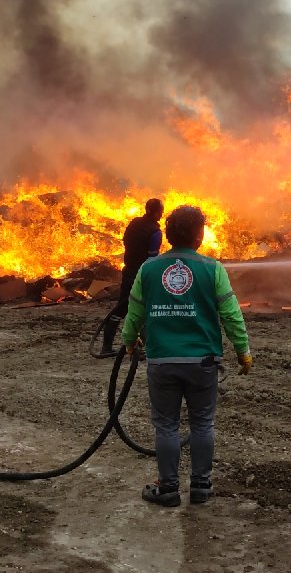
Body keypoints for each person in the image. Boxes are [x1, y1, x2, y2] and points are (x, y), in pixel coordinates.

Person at [120, 204, 251, 507]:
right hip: (203, 362)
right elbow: (231, 315)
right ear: (198, 236)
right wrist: (243, 350)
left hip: (162, 361)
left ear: (167, 235)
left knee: (166, 425)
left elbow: (134, 311)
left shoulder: (148, 269)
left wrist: (129, 341)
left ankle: (167, 489)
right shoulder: (212, 269)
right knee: (203, 423)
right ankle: (201, 487)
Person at [100, 198, 164, 357]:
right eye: (161, 211)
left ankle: (106, 347)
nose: (162, 214)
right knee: (146, 310)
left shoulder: (134, 224)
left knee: (120, 309)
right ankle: (141, 350)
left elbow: (126, 242)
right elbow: (152, 258)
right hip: (143, 276)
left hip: (128, 272)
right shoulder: (155, 232)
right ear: (156, 212)